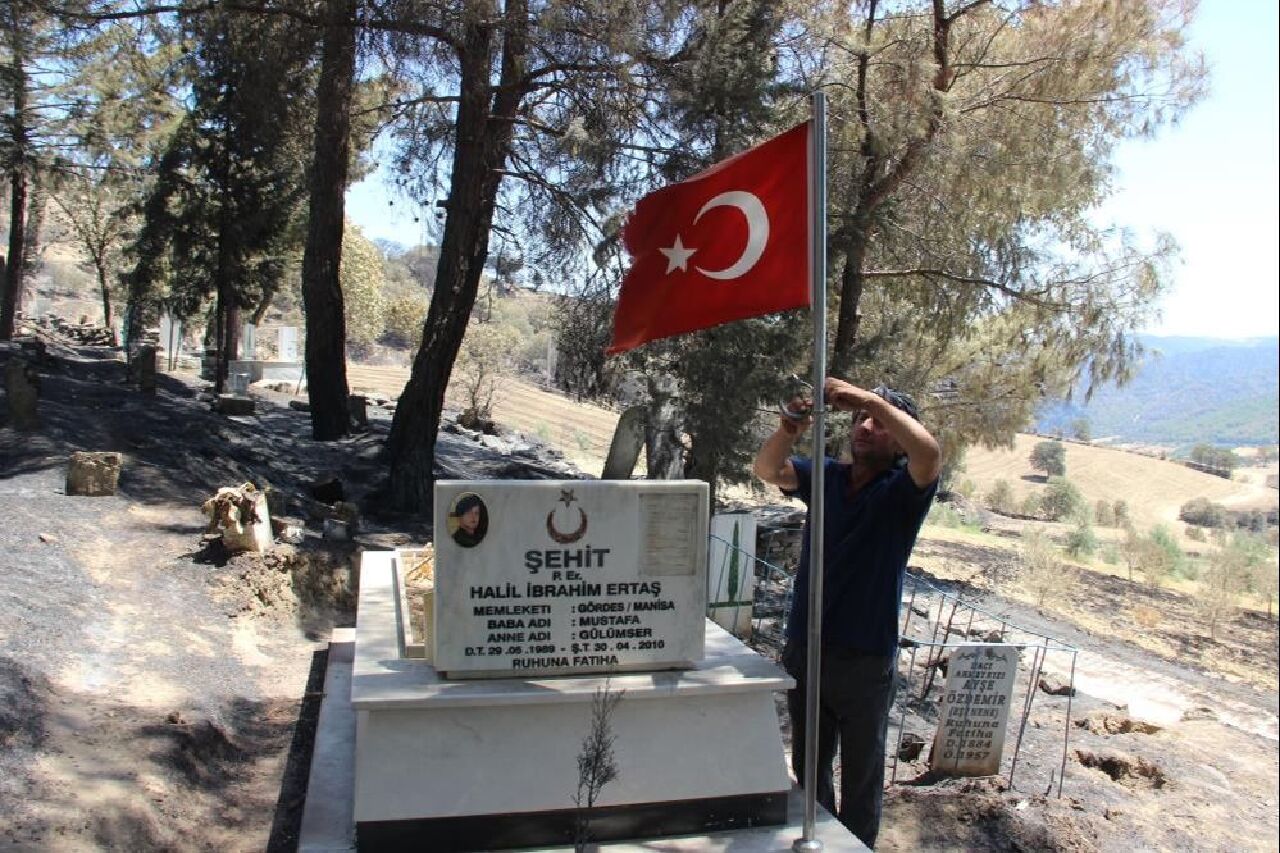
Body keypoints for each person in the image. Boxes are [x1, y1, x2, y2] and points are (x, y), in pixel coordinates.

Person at [752, 377, 941, 848]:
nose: (866, 426)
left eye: (879, 422)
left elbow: (930, 453)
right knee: (810, 768)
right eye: (859, 420)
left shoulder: (904, 491)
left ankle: (855, 846)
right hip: (808, 645)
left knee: (861, 774)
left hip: (865, 658)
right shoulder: (826, 478)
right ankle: (819, 841)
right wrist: (789, 429)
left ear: (898, 439)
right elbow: (766, 468)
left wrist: (868, 398)